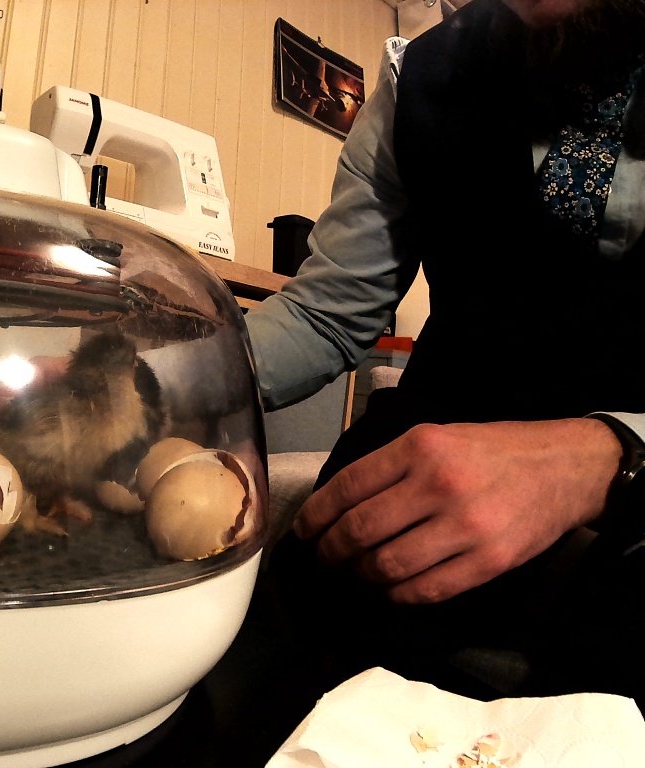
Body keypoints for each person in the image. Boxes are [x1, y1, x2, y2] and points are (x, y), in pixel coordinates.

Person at [245, 0, 645, 703]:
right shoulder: (420, 79)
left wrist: (612, 453)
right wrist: (155, 379)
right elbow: (325, 312)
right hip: (418, 484)